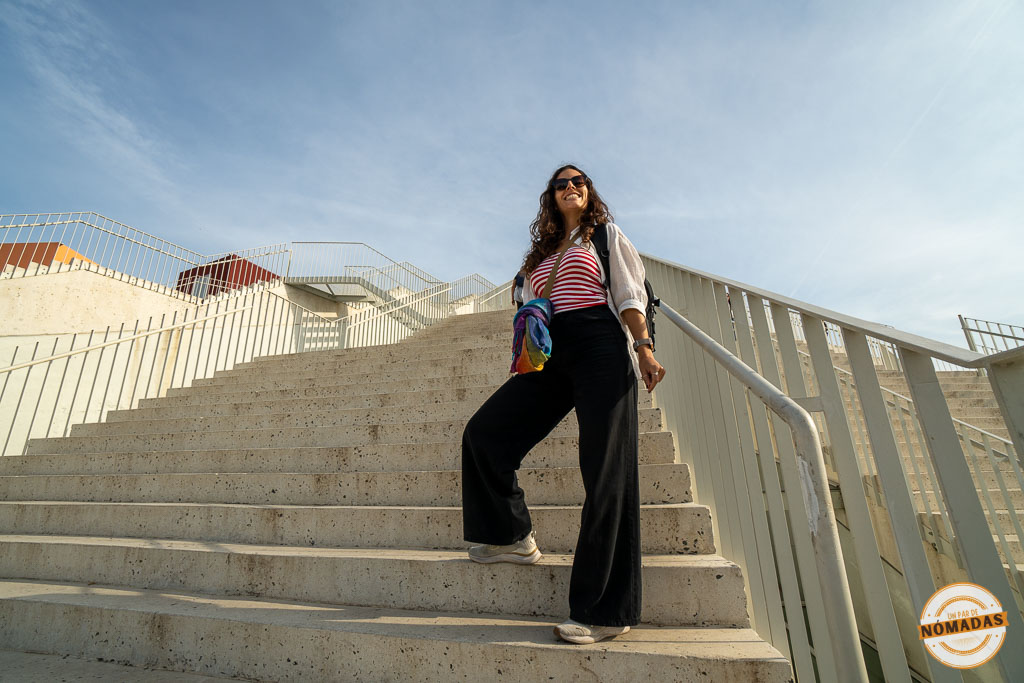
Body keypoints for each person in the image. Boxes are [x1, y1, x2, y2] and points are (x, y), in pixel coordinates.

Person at [461, 164, 666, 645]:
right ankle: (511, 536)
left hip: (599, 342)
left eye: (579, 182)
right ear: (550, 197)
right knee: (485, 433)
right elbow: (528, 302)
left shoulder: (605, 236)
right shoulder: (541, 254)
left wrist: (643, 346)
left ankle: (604, 611)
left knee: (605, 472)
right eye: (561, 184)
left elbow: (629, 294)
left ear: (589, 192)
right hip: (551, 350)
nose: (571, 187)